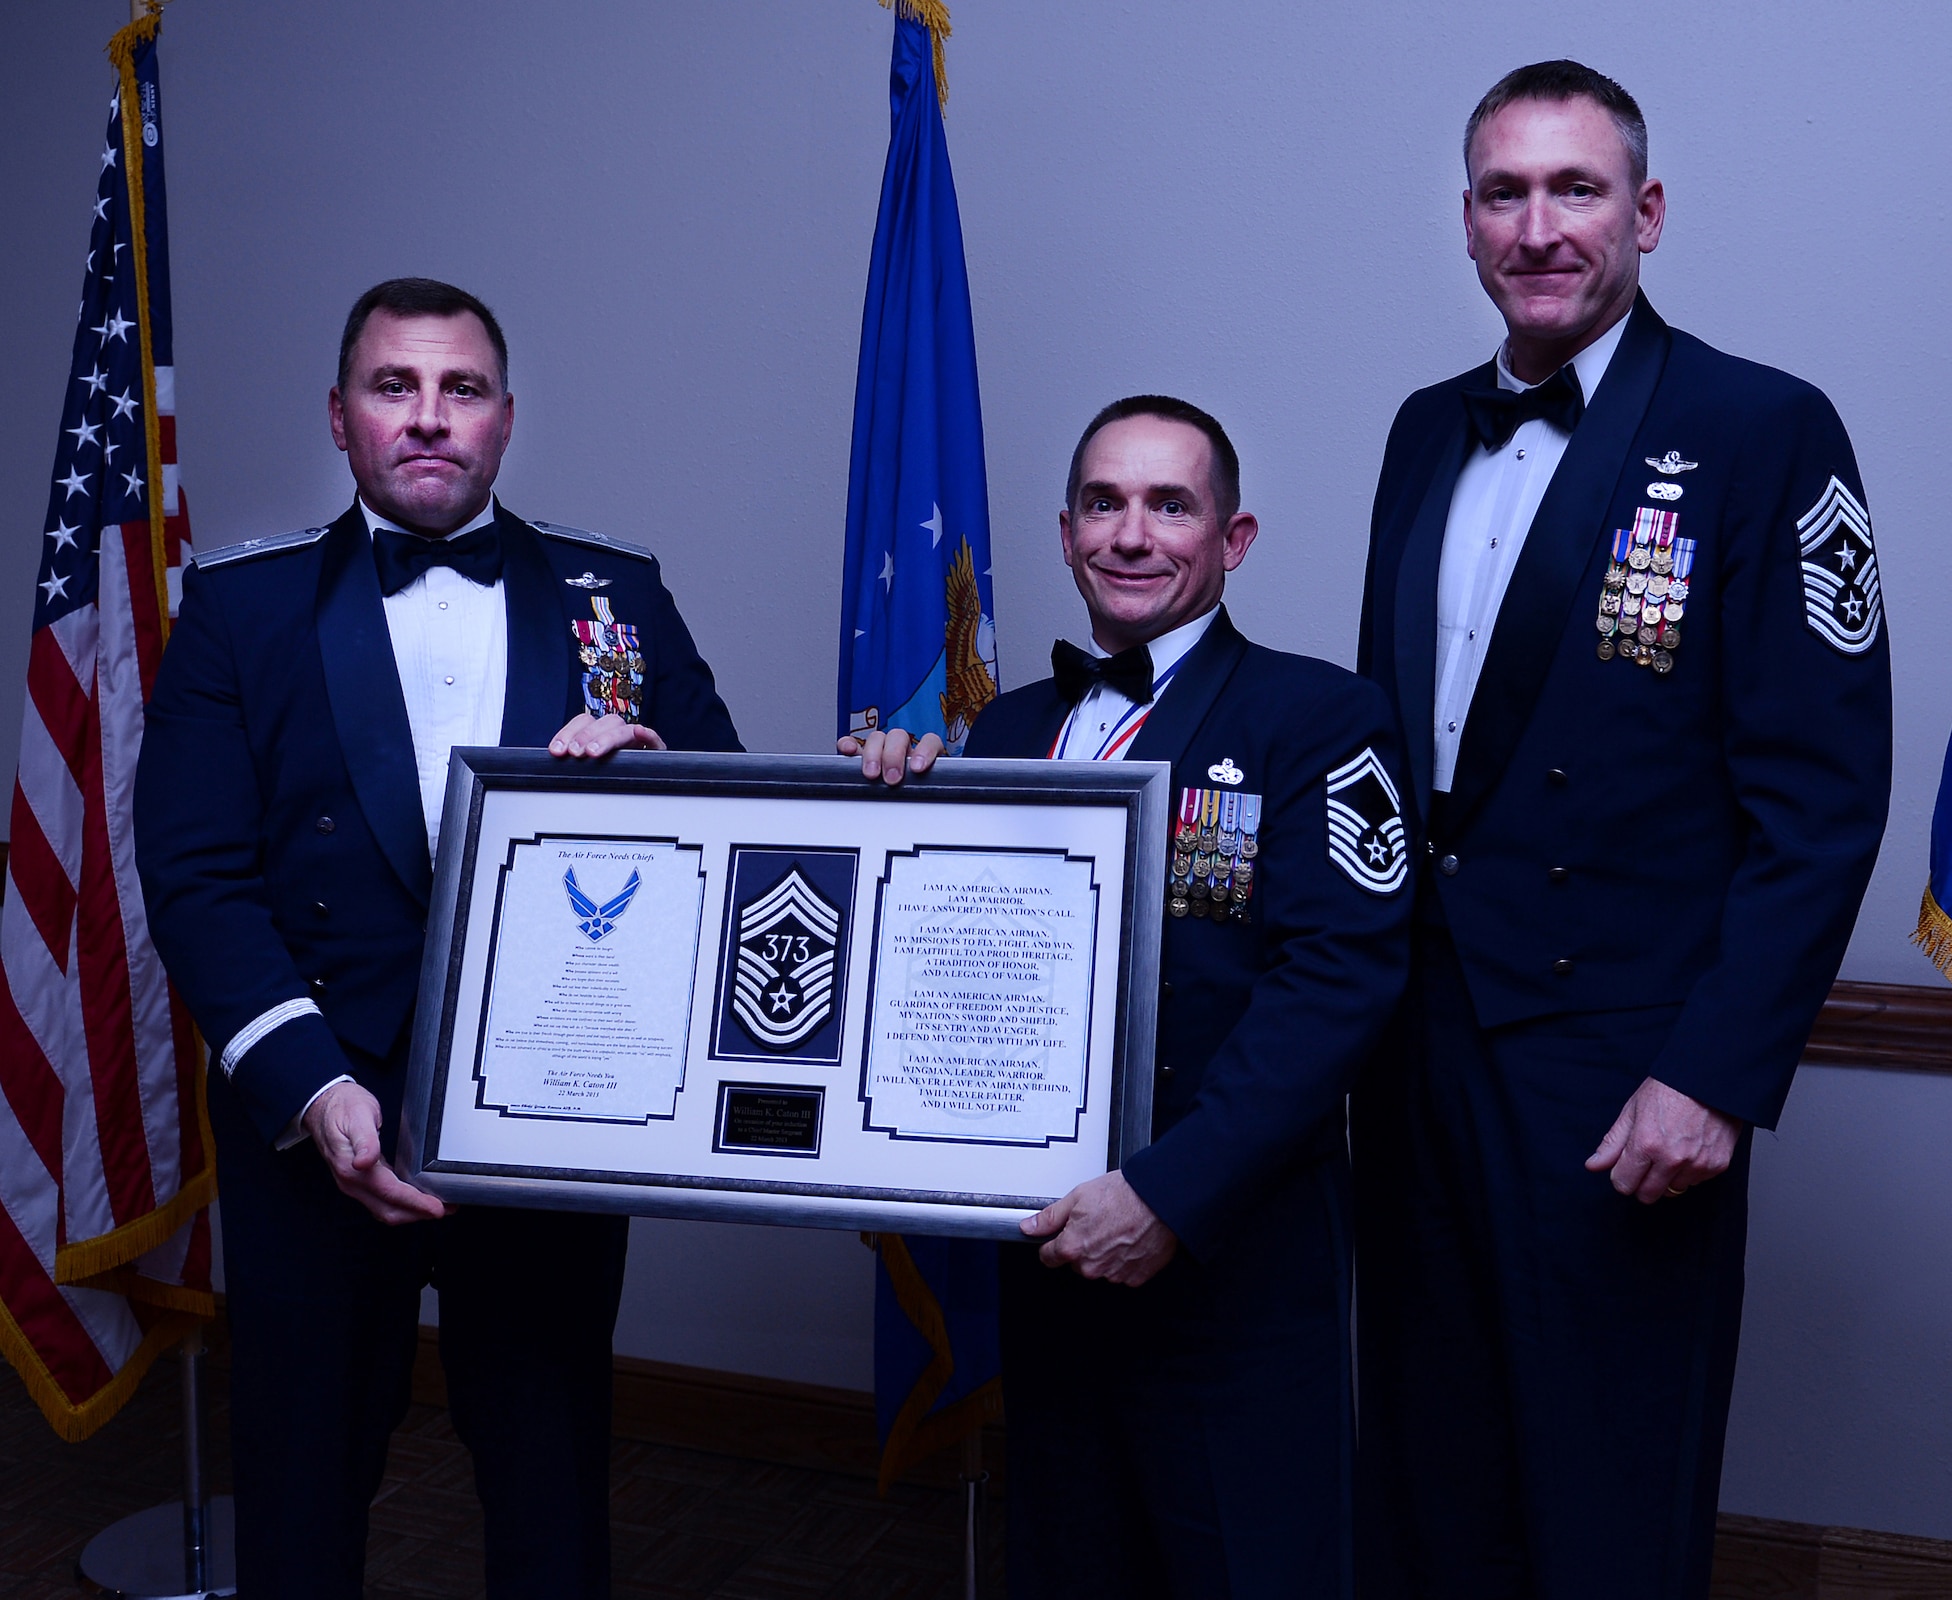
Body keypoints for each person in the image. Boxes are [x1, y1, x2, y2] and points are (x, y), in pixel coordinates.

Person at [1350, 62, 1893, 1599]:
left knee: (1605, 1490)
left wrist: (1712, 1077)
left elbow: (1825, 794)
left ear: (1644, 214)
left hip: (1623, 1062)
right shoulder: (1420, 432)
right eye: (1506, 194)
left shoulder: (1762, 428)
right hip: (1420, 1041)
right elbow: (1403, 758)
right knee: (1427, 1473)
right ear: (1467, 224)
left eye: (1575, 190)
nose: (1539, 226)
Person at [134, 277, 742, 1599]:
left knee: (550, 1480)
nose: (428, 417)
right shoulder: (242, 606)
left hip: (548, 1115)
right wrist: (312, 1090)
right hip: (316, 1100)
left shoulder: (615, 595)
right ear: (342, 418)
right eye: (393, 387)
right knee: (300, 1487)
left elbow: (735, 828)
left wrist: (649, 776)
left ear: (506, 420)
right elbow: (193, 873)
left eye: (459, 389)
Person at [851, 395, 1414, 1597]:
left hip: (1229, 1268)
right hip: (1049, 1266)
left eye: (1170, 504)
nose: (1131, 533)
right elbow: (943, 975)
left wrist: (1162, 1196)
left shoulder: (1318, 717)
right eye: (1103, 503)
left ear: (1233, 538)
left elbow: (1337, 985)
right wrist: (882, 813)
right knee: (1069, 1564)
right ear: (1063, 532)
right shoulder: (999, 729)